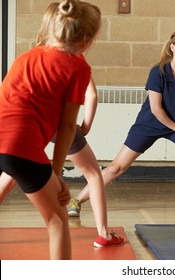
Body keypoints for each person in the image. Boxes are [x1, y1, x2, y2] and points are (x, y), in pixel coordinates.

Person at [66, 29, 175, 217]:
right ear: (173, 47)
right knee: (116, 168)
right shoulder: (158, 71)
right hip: (149, 125)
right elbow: (156, 109)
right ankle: (77, 200)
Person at [0, 1, 124, 248]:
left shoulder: (28, 56)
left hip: (9, 136)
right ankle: (103, 234)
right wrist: (56, 173)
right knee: (68, 206)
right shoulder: (78, 66)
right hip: (30, 136)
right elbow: (70, 122)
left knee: (11, 172)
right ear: (87, 41)